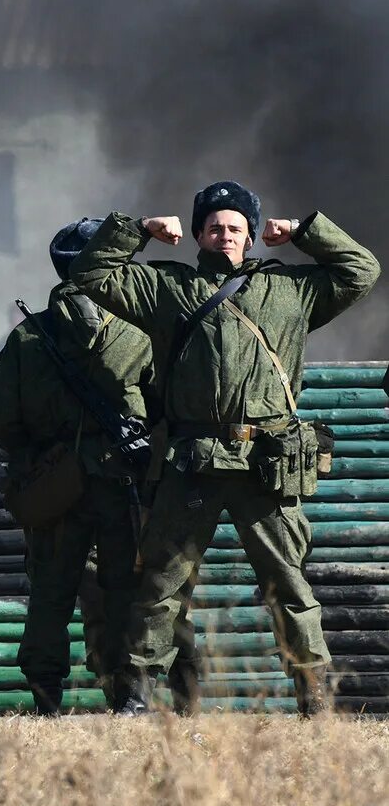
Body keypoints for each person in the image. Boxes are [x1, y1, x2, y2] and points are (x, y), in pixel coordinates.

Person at [71, 181, 380, 716]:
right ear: (197, 234)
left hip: (267, 463)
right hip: (194, 461)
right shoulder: (168, 289)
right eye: (214, 226)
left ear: (251, 236)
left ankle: (313, 696)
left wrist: (307, 233)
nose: (225, 236)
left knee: (287, 583)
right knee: (162, 583)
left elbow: (362, 271)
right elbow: (92, 274)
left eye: (236, 227)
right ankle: (137, 694)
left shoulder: (292, 291)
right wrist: (138, 230)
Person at [0, 218, 155, 714]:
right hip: (122, 481)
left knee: (51, 593)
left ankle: (45, 698)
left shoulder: (30, 336)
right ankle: (130, 696)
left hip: (55, 482)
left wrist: (38, 455)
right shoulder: (142, 331)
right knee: (124, 589)